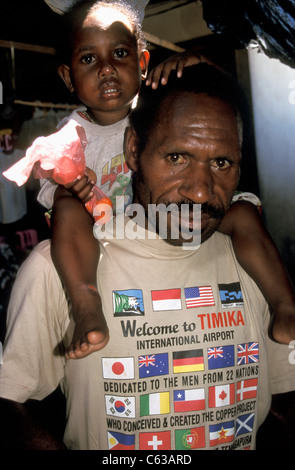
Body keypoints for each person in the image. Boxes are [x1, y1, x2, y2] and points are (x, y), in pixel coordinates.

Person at [0, 63, 295, 450]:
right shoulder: (57, 269)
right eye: (177, 158)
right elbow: (11, 405)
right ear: (134, 150)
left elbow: (279, 398)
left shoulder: (255, 265)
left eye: (222, 163)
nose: (201, 191)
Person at [35, 0, 295, 361]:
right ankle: (87, 304)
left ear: (142, 64)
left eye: (121, 53)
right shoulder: (71, 133)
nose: (107, 69)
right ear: (68, 77)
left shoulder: (161, 110)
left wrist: (198, 64)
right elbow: (47, 178)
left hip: (167, 222)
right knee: (65, 204)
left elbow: (215, 103)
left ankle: (284, 304)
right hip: (107, 230)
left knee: (243, 214)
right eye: (89, 59)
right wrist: (71, 183)